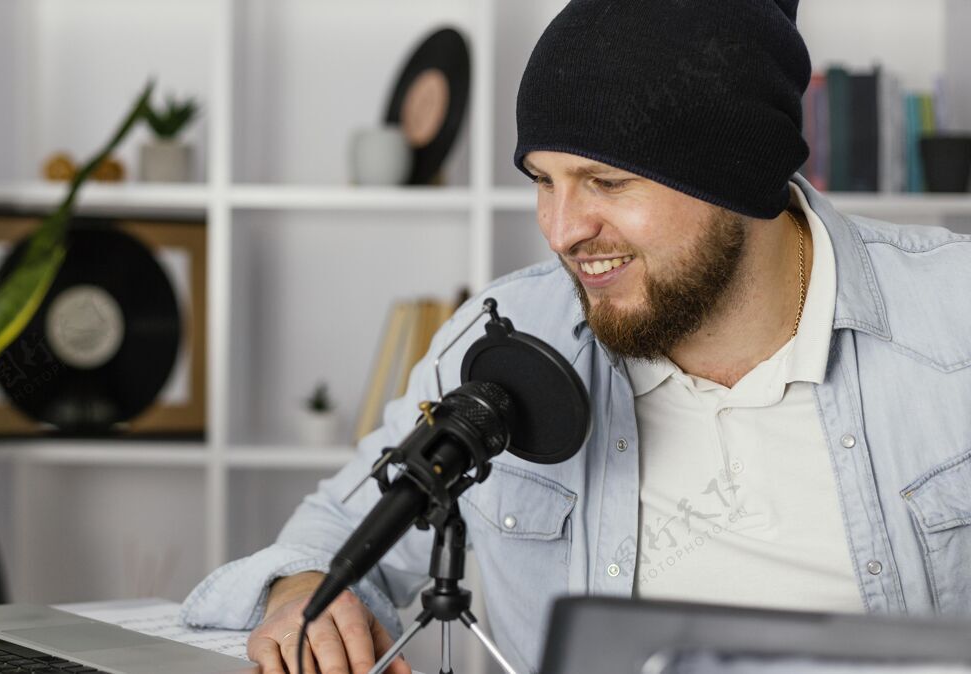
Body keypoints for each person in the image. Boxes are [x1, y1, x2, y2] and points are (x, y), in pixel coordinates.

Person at [182, 1, 971, 672]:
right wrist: (304, 596)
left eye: (608, 181)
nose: (563, 231)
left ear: (741, 175)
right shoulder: (507, 335)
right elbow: (339, 527)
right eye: (543, 181)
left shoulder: (953, 318)